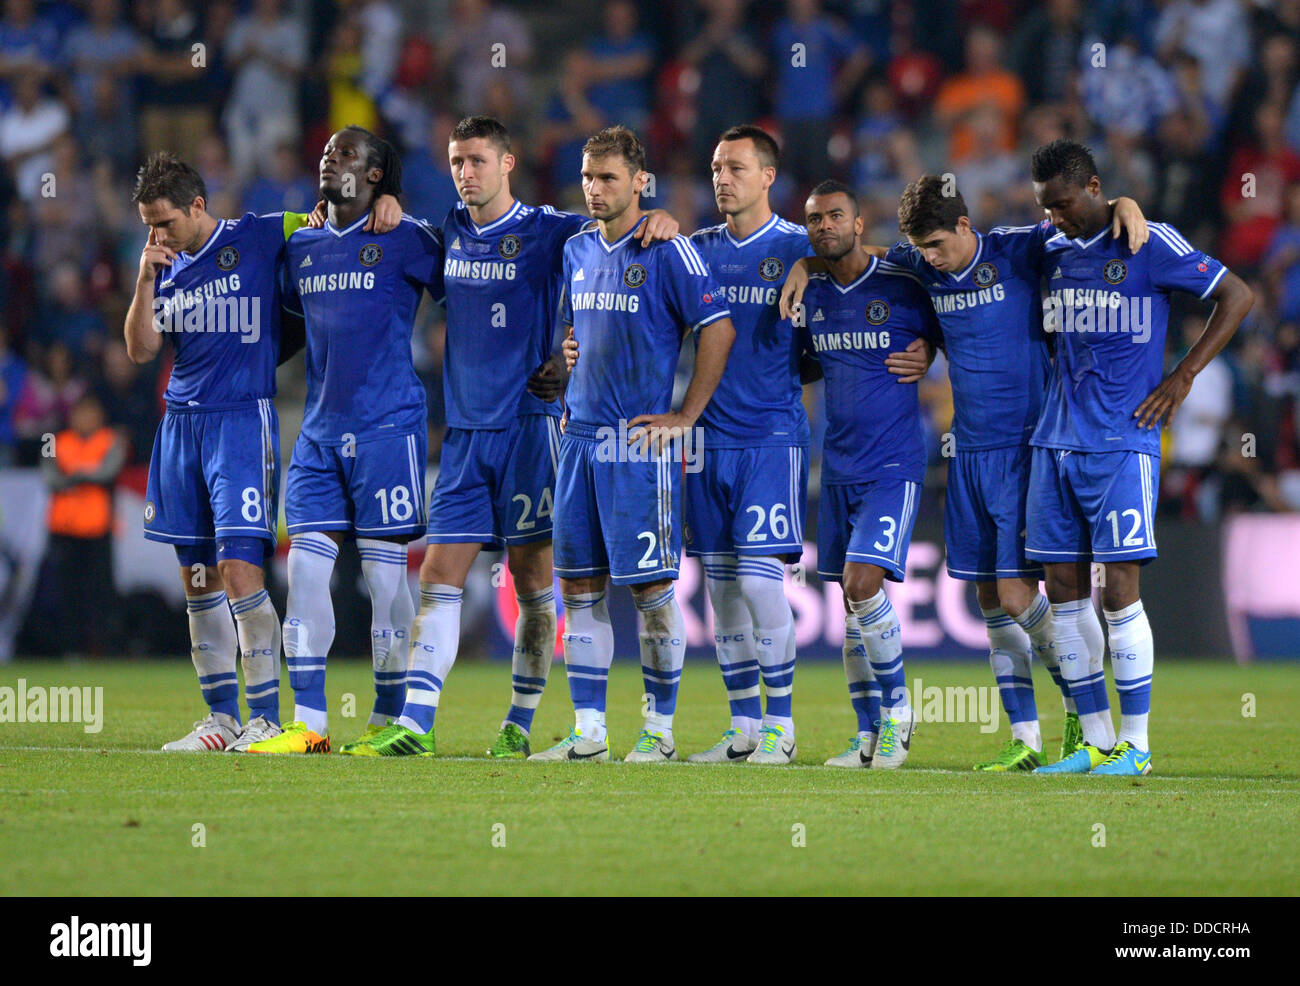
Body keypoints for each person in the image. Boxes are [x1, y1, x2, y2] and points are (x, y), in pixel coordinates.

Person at [781, 176, 1151, 771]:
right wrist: (805, 261)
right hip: (968, 453)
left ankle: (1086, 715)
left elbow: (1080, 223)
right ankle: (1026, 738)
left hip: (1027, 448)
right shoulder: (918, 265)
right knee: (988, 600)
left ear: (963, 226)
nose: (929, 258)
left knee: (1018, 592)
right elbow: (853, 252)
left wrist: (1123, 204)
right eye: (919, 248)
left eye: (936, 244)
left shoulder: (1015, 250)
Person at [339, 115, 680, 759]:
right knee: (439, 573)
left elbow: (618, 233)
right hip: (466, 436)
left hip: (532, 430)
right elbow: (391, 239)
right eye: (456, 161)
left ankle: (519, 724)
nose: (465, 173)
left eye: (476, 160)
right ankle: (416, 722)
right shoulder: (448, 234)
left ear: (507, 163)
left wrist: (659, 218)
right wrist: (385, 198)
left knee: (531, 582)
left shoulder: (552, 230)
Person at [1028, 139, 1253, 775]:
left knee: (1119, 591)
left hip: (1124, 441)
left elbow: (1236, 295)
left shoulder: (1150, 243)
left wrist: (1182, 375)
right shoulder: (1044, 247)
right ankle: (1096, 741)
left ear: (1095, 188)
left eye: (1065, 205)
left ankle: (1139, 745)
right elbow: (962, 250)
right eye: (1047, 208)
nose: (1057, 218)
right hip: (1054, 441)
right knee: (1064, 591)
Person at [530, 126, 735, 762]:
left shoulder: (671, 251)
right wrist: (566, 359)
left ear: (640, 182)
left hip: (636, 445)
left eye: (609, 177)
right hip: (578, 440)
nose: (594, 189)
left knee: (650, 592)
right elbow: (577, 327)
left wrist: (684, 416)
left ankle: (659, 731)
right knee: (580, 588)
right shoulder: (577, 250)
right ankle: (590, 731)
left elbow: (718, 330)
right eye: (589, 177)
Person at [247, 127, 441, 755]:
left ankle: (387, 720)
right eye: (329, 149)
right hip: (319, 431)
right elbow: (288, 332)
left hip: (388, 427)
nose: (333, 157)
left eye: (350, 153)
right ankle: (310, 725)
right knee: (302, 574)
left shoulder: (406, 238)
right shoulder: (300, 244)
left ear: (378, 175)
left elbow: (469, 287)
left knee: (385, 584)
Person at [797, 180, 941, 769]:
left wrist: (929, 347)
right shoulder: (807, 294)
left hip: (894, 463)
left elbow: (950, 318)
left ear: (860, 223)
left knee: (862, 586)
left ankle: (900, 715)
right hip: (838, 465)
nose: (824, 225)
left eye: (835, 216)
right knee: (850, 608)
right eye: (813, 219)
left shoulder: (903, 282)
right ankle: (865, 735)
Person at [681, 125, 813, 765]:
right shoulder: (697, 251)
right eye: (715, 166)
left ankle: (782, 730)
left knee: (762, 588)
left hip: (770, 437)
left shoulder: (799, 245)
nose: (721, 178)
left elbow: (882, 261)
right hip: (706, 443)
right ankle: (744, 730)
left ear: (768, 177)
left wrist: (815, 262)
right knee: (722, 593)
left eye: (734, 167)